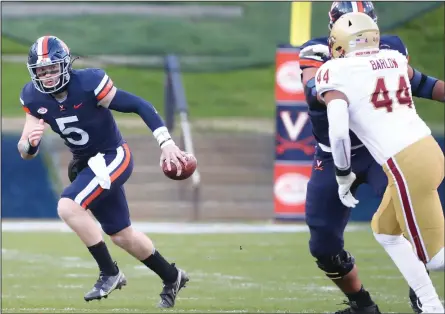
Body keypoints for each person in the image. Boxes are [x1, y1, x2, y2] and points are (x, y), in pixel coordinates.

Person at [18, 35, 189, 308]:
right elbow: (26, 151)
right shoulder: (32, 96)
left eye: (52, 68)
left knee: (68, 206)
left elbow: (139, 105)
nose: (47, 76)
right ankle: (172, 276)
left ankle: (110, 272)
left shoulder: (89, 83)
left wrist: (166, 142)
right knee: (122, 235)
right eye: (41, 71)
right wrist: (30, 142)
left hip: (112, 155)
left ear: (65, 65)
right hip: (85, 165)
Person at [298, 2, 445, 313]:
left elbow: (419, 83)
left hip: (382, 151)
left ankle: (424, 297)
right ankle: (362, 305)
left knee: (411, 224)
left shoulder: (388, 51)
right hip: (335, 153)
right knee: (328, 243)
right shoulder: (323, 57)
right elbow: (314, 91)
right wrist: (340, 75)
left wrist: (344, 74)